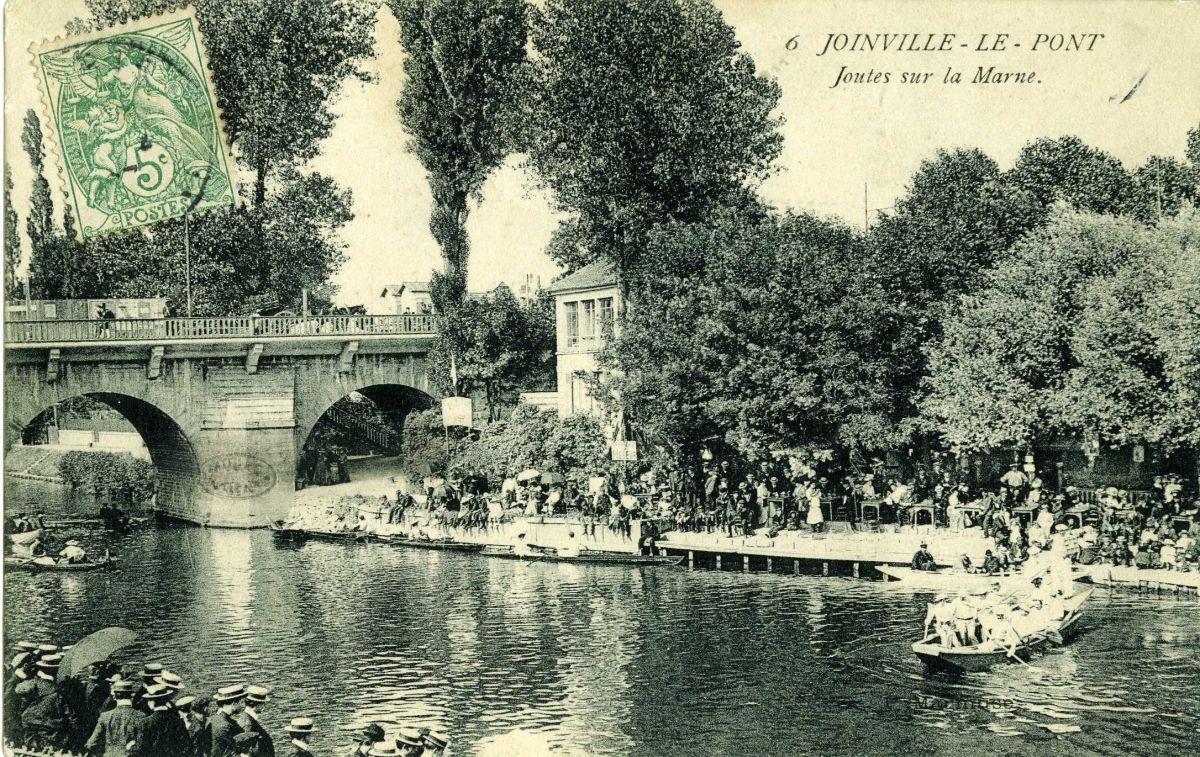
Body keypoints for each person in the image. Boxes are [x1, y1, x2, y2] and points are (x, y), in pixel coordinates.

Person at [86, 679, 148, 756]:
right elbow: (142, 743)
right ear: (131, 695)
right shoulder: (140, 716)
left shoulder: (105, 716)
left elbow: (91, 743)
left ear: (114, 696)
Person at [135, 683, 191, 756]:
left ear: (152, 702)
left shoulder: (145, 723)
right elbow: (186, 745)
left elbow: (140, 749)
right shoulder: (178, 721)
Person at [237, 685, 275, 757]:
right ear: (258, 705)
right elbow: (247, 752)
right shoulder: (248, 724)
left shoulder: (246, 719)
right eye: (263, 703)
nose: (264, 706)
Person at [211, 685, 247, 757]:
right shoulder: (225, 725)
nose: (243, 706)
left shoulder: (216, 718)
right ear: (234, 703)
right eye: (242, 702)